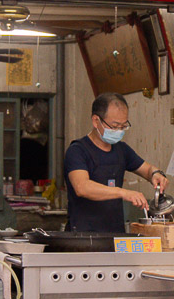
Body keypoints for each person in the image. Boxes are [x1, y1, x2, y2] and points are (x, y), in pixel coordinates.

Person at [64, 92, 167, 234]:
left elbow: (147, 169)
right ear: (96, 121)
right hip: (83, 235)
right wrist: (123, 193)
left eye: (123, 126)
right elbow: (82, 187)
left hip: (115, 234)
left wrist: (155, 174)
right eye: (114, 126)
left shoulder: (122, 150)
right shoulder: (77, 151)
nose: (119, 131)